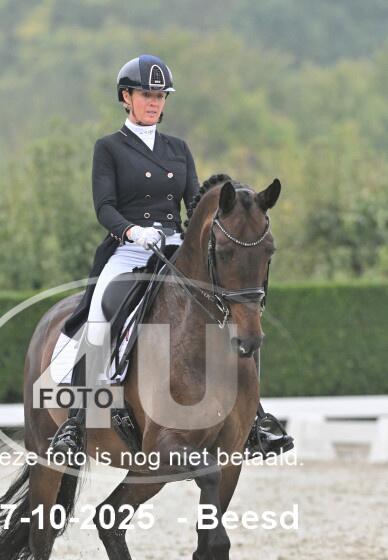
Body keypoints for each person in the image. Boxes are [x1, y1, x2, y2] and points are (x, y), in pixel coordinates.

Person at [50, 54, 293, 460]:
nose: (154, 102)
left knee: (233, 313)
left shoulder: (178, 149)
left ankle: (255, 419)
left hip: (174, 248)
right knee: (101, 311)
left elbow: (195, 203)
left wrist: (194, 236)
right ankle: (77, 421)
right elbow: (104, 207)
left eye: (160, 96)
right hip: (128, 251)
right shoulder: (109, 148)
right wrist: (133, 231)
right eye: (146, 95)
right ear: (126, 97)